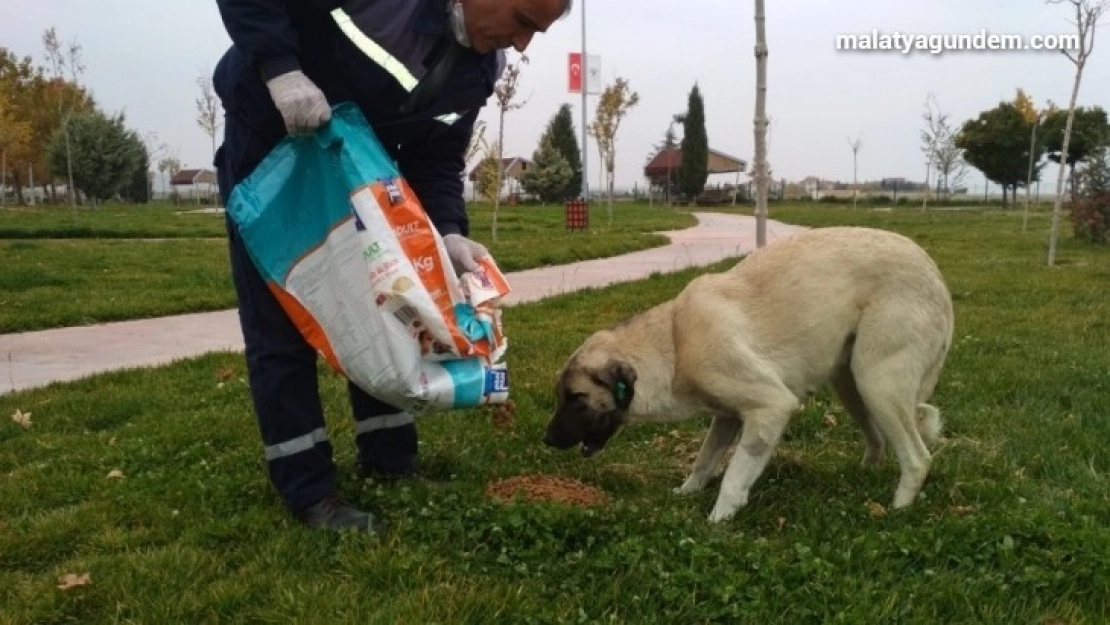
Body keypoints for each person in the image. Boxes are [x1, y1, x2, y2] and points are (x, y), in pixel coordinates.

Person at [212, 0, 572, 533]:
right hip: (273, 151)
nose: (521, 46)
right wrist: (280, 69)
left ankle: (390, 461)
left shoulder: (477, 69)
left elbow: (438, 157)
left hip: (362, 176)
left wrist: (448, 230)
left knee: (389, 305)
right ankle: (309, 489)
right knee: (282, 321)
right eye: (523, 23)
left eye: (535, 34)